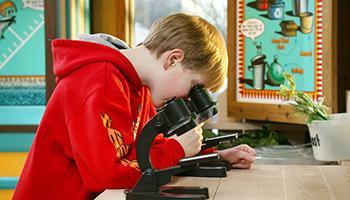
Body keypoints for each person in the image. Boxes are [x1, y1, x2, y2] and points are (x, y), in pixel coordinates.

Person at [13, 13, 256, 199]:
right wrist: (178, 150)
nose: (186, 98)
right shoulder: (101, 82)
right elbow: (107, 175)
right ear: (173, 59)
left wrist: (212, 156)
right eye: (193, 86)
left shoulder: (137, 87)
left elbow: (149, 150)